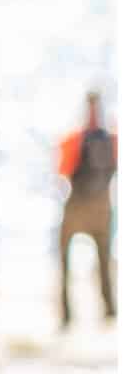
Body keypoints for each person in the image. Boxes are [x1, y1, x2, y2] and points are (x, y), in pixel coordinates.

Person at [57, 89, 117, 329]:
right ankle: (72, 311)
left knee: (100, 261)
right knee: (74, 261)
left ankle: (106, 308)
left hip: (89, 207)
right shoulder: (106, 139)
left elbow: (62, 170)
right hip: (95, 207)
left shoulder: (83, 138)